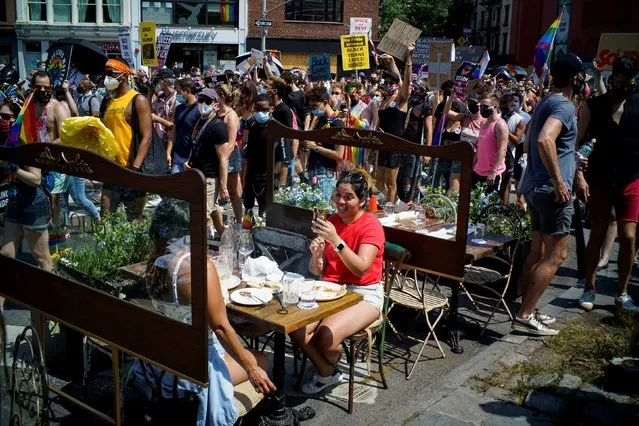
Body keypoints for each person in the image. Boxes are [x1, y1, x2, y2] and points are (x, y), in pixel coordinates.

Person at [134, 199, 275, 425]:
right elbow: (220, 326)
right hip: (194, 372)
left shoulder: (157, 260)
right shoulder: (197, 266)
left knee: (244, 347)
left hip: (161, 363)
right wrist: (251, 369)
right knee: (262, 360)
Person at [290, 169, 385, 394]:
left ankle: (332, 360)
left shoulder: (371, 226)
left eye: (348, 197)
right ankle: (328, 371)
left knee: (326, 335)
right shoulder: (332, 221)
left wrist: (336, 240)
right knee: (295, 327)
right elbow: (317, 270)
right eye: (338, 195)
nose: (340, 202)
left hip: (364, 293)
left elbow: (361, 269)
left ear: (362, 201)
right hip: (331, 290)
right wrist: (316, 255)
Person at [516, 54, 585, 336]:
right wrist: (560, 181)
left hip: (534, 187)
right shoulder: (564, 106)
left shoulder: (545, 100)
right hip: (550, 190)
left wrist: (574, 167)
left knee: (538, 251)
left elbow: (532, 139)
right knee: (557, 256)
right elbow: (545, 138)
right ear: (574, 79)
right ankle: (525, 314)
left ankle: (528, 307)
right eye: (582, 77)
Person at [575, 55, 639, 312]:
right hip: (600, 179)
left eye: (630, 84)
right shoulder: (594, 105)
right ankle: (589, 287)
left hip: (631, 178)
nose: (625, 88)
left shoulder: (637, 106)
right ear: (612, 80)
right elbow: (578, 142)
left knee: (629, 237)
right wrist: (579, 172)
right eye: (621, 83)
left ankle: (621, 294)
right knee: (597, 235)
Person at [100, 59, 153, 221]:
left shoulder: (138, 100)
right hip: (110, 170)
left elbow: (147, 136)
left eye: (110, 74)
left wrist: (135, 169)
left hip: (130, 170)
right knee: (106, 221)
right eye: (106, 74)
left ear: (122, 76)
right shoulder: (108, 101)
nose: (106, 78)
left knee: (135, 221)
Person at [187, 89, 229, 238]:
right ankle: (225, 236)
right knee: (213, 210)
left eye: (207, 102)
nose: (202, 104)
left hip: (209, 178)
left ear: (215, 104)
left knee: (201, 216)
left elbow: (223, 159)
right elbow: (195, 144)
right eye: (200, 101)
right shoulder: (200, 121)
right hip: (197, 174)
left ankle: (201, 251)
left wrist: (223, 188)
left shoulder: (217, 125)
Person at [375, 44, 414, 203]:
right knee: (378, 181)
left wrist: (408, 59)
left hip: (394, 146)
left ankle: (389, 209)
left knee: (391, 182)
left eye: (392, 82)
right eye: (386, 81)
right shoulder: (384, 101)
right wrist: (391, 62)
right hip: (382, 145)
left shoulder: (400, 100)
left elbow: (406, 80)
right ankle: (383, 205)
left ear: (397, 85)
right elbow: (378, 125)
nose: (388, 83)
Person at [303, 86, 346, 199]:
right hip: (313, 169)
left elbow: (339, 155)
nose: (313, 110)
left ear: (325, 102)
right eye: (311, 107)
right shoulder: (318, 121)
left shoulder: (337, 123)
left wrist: (315, 147)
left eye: (315, 106)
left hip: (325, 174)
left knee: (322, 212)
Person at [215, 83, 243, 223]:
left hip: (229, 157)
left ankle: (239, 222)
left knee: (232, 192)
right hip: (217, 156)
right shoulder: (216, 112)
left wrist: (223, 161)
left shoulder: (231, 116)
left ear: (221, 97)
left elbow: (231, 144)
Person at [473, 94, 509, 194]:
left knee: (490, 204)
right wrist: (473, 165)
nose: (482, 109)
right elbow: (479, 148)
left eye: (485, 107)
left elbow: (502, 149)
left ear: (495, 107)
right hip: (478, 171)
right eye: (480, 106)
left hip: (492, 174)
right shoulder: (483, 123)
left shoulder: (500, 125)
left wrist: (493, 172)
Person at [167, 78, 200, 173]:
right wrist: (168, 152)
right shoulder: (179, 108)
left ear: (188, 91)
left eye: (180, 92)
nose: (178, 95)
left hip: (191, 160)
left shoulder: (199, 110)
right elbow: (173, 131)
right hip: (177, 156)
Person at [499, 94, 525, 203]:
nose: (503, 110)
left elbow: (517, 140)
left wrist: (505, 129)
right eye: (502, 108)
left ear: (512, 106)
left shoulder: (518, 119)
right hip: (495, 152)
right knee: (494, 181)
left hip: (509, 155)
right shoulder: (498, 116)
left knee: (505, 182)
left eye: (506, 108)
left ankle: (503, 207)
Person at [270, 80, 295, 188]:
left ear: (275, 91)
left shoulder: (285, 110)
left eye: (267, 87)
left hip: (282, 145)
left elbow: (288, 132)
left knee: (282, 164)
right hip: (271, 145)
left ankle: (282, 187)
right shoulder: (270, 107)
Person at [151, 68, 177, 147]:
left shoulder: (177, 99)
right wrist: (149, 94)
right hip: (159, 140)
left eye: (158, 81)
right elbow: (150, 111)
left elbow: (174, 126)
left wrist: (158, 119)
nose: (156, 84)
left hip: (170, 143)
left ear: (165, 81)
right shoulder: (161, 96)